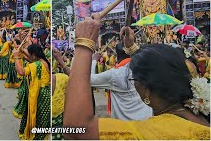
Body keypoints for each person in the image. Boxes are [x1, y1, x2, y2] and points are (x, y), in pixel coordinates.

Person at [63, 13, 210, 140]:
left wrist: (84, 43)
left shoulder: (155, 132)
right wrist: (132, 48)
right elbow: (156, 65)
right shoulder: (198, 114)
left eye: (134, 80)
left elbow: (77, 130)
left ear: (146, 91)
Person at [90, 43, 152, 120]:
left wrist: (94, 60)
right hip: (146, 120)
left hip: (126, 124)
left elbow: (89, 79)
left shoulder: (115, 74)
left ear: (116, 56)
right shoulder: (146, 67)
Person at [14, 44, 51, 140]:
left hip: (40, 95)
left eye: (29, 54)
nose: (28, 57)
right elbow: (30, 59)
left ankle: (37, 137)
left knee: (38, 117)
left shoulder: (37, 65)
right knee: (41, 117)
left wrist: (17, 57)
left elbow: (21, 72)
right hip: (45, 93)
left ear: (34, 55)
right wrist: (21, 50)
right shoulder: (43, 61)